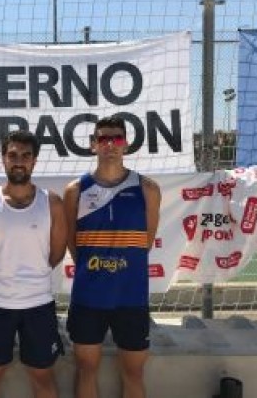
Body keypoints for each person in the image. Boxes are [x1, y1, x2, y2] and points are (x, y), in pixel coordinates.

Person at [63, 116, 161, 398]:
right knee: (85, 370)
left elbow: (146, 241)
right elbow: (73, 244)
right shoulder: (76, 191)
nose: (110, 145)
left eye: (116, 138)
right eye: (103, 139)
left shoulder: (147, 189)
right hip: (88, 297)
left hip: (130, 298)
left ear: (125, 144)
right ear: (93, 145)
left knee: (133, 373)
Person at [0, 130, 68, 398]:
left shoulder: (53, 203)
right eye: (12, 155)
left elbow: (56, 254)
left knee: (43, 377)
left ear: (34, 161)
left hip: (38, 305)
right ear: (3, 159)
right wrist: (0, 276)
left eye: (26, 155)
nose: (19, 161)